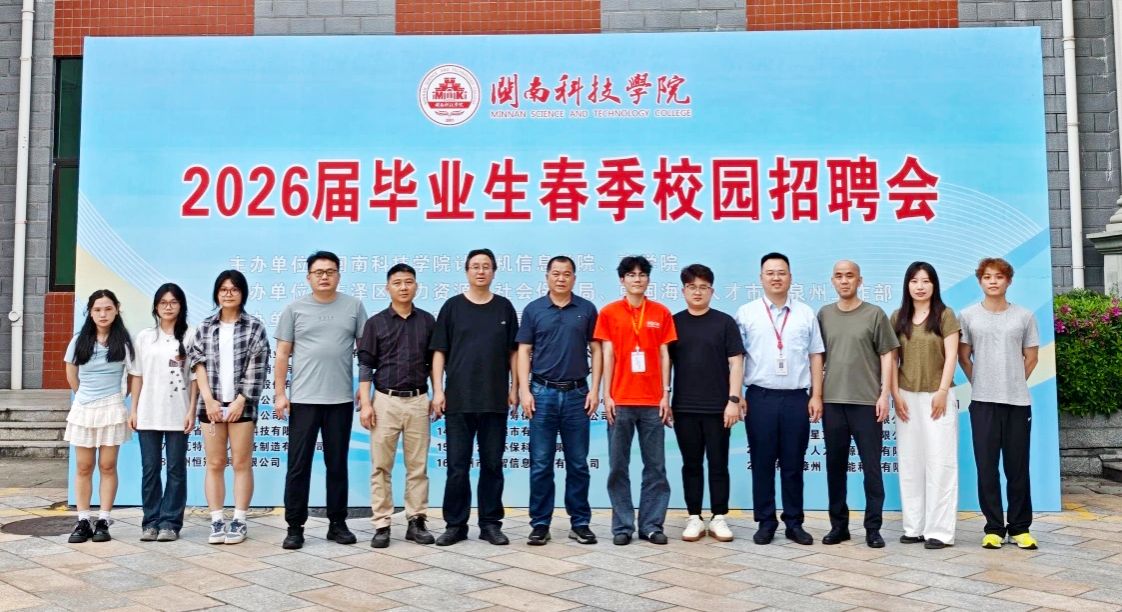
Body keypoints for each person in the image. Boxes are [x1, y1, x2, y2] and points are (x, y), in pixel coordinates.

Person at [275, 251, 368, 550]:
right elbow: (282, 354)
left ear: (339, 275)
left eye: (330, 271)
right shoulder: (294, 309)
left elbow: (365, 351)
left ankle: (337, 524)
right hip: (303, 400)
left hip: (340, 400)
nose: (324, 276)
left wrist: (364, 387)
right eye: (318, 272)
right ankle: (294, 527)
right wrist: (280, 393)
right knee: (298, 466)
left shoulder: (354, 306)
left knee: (337, 465)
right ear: (308, 277)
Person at [430, 248, 519, 546]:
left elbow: (514, 353)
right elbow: (439, 351)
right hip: (459, 400)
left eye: (486, 266)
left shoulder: (504, 308)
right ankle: (455, 525)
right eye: (475, 266)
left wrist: (515, 388)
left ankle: (490, 524)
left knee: (492, 465)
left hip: (494, 400)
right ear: (467, 271)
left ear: (494, 271)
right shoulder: (452, 307)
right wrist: (438, 390)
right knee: (457, 467)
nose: (481, 271)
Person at [735, 252, 824, 546]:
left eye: (781, 272)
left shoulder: (805, 313)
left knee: (793, 463)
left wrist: (816, 395)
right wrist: (736, 395)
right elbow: (736, 358)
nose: (776, 277)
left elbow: (816, 355)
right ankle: (765, 521)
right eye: (770, 273)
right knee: (761, 462)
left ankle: (794, 523)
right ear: (761, 278)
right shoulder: (746, 313)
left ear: (790, 277)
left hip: (797, 398)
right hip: (759, 398)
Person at [517, 255, 601, 546]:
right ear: (547, 277)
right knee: (541, 463)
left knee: (578, 463)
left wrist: (596, 389)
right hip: (542, 394)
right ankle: (540, 524)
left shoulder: (586, 309)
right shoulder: (534, 310)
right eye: (556, 273)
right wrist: (524, 391)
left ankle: (580, 523)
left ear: (574, 278)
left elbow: (596, 349)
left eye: (566, 274)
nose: (561, 278)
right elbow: (524, 351)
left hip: (578, 394)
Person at [594, 255, 677, 546]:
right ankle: (622, 526)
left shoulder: (661, 313)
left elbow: (665, 355)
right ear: (622, 280)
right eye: (631, 275)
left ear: (648, 279)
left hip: (653, 402)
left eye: (642, 274)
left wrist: (665, 394)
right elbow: (607, 355)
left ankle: (651, 525)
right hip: (621, 399)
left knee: (656, 467)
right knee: (618, 466)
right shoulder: (609, 312)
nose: (637, 279)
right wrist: (606, 395)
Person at [958, 257, 1040, 550]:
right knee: (987, 468)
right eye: (987, 277)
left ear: (1009, 281)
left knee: (1017, 468)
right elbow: (963, 356)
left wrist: (1013, 380)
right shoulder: (968, 316)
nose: (993, 281)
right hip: (982, 403)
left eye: (999, 276)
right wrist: (980, 381)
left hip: (1017, 403)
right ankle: (993, 528)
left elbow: (1032, 357)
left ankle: (1020, 528)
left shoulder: (1024, 316)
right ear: (980, 281)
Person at [817, 260, 899, 549]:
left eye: (849, 276)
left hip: (867, 403)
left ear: (859, 280)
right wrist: (816, 395)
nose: (844, 281)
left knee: (872, 469)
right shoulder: (824, 315)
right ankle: (838, 526)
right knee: (835, 467)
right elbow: (817, 357)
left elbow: (887, 355)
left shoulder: (874, 314)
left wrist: (884, 394)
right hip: (832, 402)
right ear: (832, 280)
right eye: (839, 276)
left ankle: (873, 529)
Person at [358, 263, 437, 548]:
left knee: (418, 466)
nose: (404, 287)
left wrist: (438, 393)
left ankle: (416, 521)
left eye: (408, 282)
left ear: (416, 286)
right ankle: (382, 524)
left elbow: (434, 363)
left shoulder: (427, 321)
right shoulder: (375, 323)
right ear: (387, 287)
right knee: (381, 466)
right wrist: (365, 403)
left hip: (418, 401)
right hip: (384, 401)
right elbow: (366, 365)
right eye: (398, 282)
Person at [188, 270, 270, 545]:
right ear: (216, 293)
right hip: (210, 405)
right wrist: (209, 399)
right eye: (223, 289)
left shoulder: (254, 327)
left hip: (241, 406)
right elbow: (197, 363)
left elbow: (258, 367)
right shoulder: (205, 326)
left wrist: (240, 400)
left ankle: (239, 520)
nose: (228, 294)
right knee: (214, 463)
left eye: (234, 289)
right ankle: (216, 521)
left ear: (242, 293)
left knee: (241, 462)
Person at [669, 264, 744, 543]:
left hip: (718, 408)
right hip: (684, 407)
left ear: (712, 291)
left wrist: (733, 400)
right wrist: (665, 397)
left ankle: (719, 517)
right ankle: (694, 517)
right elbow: (666, 364)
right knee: (691, 464)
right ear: (683, 291)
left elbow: (736, 363)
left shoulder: (724, 322)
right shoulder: (674, 323)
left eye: (703, 287)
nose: (697, 292)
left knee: (718, 463)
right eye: (692, 287)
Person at [890, 262, 961, 550]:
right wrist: (894, 394)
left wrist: (942, 391)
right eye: (914, 281)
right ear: (907, 285)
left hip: (937, 396)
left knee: (941, 463)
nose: (920, 286)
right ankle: (914, 527)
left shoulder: (945, 315)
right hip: (906, 398)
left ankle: (940, 532)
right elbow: (891, 360)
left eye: (926, 281)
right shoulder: (898, 317)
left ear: (934, 285)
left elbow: (952, 355)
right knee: (910, 463)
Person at [64, 289, 140, 544]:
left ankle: (104, 520)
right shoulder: (79, 341)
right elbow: (71, 374)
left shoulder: (124, 342)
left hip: (112, 408)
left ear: (117, 309)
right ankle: (83, 519)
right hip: (84, 408)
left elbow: (133, 375)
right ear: (90, 312)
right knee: (84, 466)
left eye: (108, 309)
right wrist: (84, 396)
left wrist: (120, 399)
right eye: (97, 309)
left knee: (107, 466)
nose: (103, 314)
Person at [129, 283, 196, 542]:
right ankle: (151, 522)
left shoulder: (190, 335)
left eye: (173, 302)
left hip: (179, 412)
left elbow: (195, 378)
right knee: (150, 469)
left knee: (176, 470)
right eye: (163, 303)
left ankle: (170, 523)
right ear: (156, 307)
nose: (168, 307)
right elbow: (137, 375)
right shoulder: (145, 337)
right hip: (148, 412)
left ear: (181, 306)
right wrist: (134, 409)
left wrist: (191, 410)